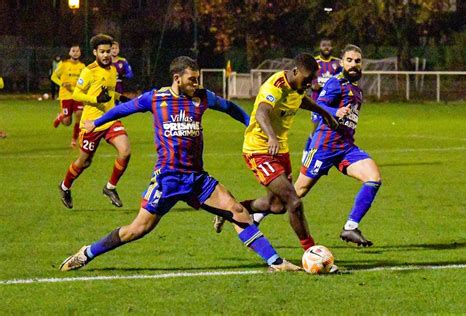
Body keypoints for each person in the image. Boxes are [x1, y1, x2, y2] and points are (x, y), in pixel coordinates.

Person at [59, 56, 301, 273]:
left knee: (238, 212)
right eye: (192, 80)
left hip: (197, 179)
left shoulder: (202, 97)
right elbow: (123, 108)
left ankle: (276, 263)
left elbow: (229, 107)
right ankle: (87, 253)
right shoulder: (156, 98)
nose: (196, 84)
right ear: (177, 78)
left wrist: (250, 123)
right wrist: (97, 122)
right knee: (137, 230)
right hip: (168, 179)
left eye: (197, 79)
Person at [213, 53, 339, 252]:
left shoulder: (296, 86)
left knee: (276, 206)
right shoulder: (275, 86)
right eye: (307, 79)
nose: (309, 84)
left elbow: (301, 100)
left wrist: (325, 113)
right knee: (294, 202)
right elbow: (262, 111)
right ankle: (312, 251)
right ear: (295, 71)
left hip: (280, 150)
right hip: (259, 150)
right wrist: (271, 136)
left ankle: (230, 209)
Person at [294, 44, 382, 247]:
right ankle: (254, 217)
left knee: (373, 178)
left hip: (346, 147)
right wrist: (334, 112)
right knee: (297, 193)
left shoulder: (356, 89)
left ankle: (350, 227)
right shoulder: (336, 84)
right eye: (349, 60)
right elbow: (316, 109)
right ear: (341, 63)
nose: (353, 64)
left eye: (357, 61)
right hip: (324, 146)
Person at [58, 34, 131, 209]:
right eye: (102, 52)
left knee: (125, 151)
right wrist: (95, 98)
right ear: (95, 52)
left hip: (111, 120)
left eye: (108, 51)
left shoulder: (113, 70)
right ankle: (64, 186)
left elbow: (109, 92)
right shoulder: (88, 71)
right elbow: (76, 94)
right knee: (84, 162)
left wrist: (123, 98)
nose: (106, 55)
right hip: (91, 123)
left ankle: (110, 187)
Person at [51, 45, 85, 147]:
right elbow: (53, 77)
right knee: (67, 122)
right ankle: (60, 117)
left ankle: (74, 140)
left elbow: (84, 80)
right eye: (73, 51)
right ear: (70, 53)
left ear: (80, 53)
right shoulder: (63, 64)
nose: (75, 53)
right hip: (65, 96)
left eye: (77, 51)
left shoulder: (82, 66)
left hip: (77, 95)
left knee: (79, 114)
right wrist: (62, 84)